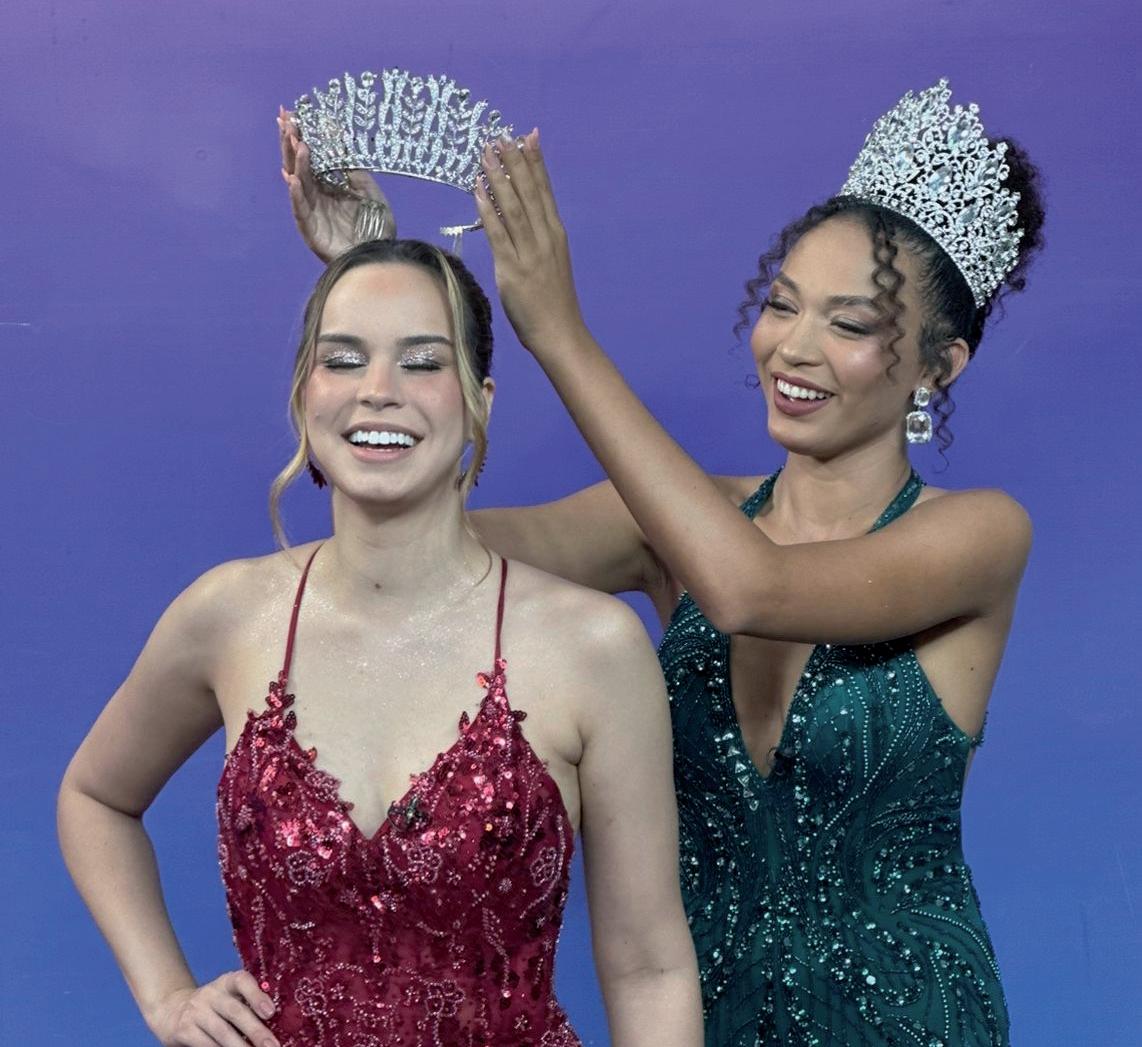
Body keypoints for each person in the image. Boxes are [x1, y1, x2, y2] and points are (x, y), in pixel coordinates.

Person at [280, 82, 1044, 1044]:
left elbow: (752, 589)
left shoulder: (979, 534)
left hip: (915, 1023)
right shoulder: (674, 526)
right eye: (781, 305)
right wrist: (379, 289)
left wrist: (558, 332)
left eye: (849, 325)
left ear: (940, 365)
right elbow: (410, 551)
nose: (794, 347)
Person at [58, 238, 703, 1047]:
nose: (378, 391)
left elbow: (650, 968)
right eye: (343, 359)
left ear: (480, 401)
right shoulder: (229, 615)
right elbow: (95, 797)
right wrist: (167, 996)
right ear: (304, 394)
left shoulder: (594, 647)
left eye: (422, 362)